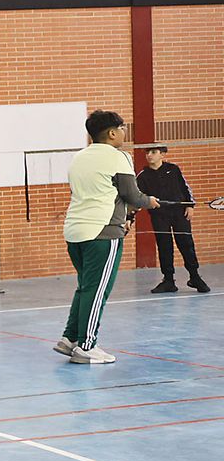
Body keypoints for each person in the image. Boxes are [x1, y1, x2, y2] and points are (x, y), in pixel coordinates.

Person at [56, 111, 162, 364]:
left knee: (85, 287)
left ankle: (70, 338)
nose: (125, 132)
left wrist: (126, 211)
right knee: (97, 290)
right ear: (112, 132)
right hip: (102, 232)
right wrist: (149, 202)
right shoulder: (118, 157)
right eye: (122, 128)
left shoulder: (78, 158)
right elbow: (133, 196)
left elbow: (106, 194)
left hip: (74, 231)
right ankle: (87, 346)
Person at [137, 146, 209, 294]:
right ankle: (168, 281)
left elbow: (185, 188)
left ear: (162, 154)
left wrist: (190, 206)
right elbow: (138, 198)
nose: (149, 155)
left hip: (179, 213)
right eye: (147, 152)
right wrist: (130, 217)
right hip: (159, 216)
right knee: (164, 247)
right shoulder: (143, 176)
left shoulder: (173, 169)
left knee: (186, 244)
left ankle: (194, 277)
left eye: (153, 152)